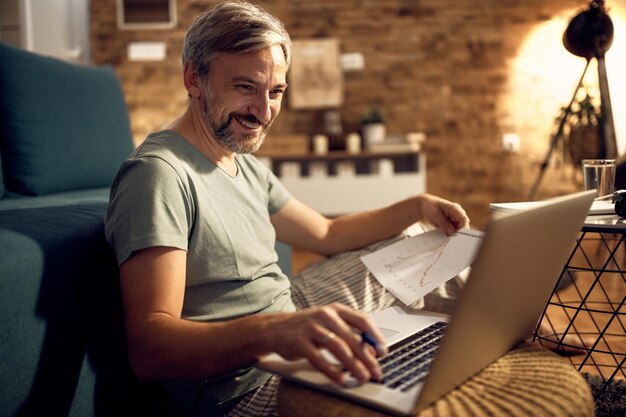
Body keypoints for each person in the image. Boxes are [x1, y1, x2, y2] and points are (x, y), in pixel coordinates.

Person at [103, 1, 472, 416]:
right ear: (194, 78)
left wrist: (416, 207)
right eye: (245, 87)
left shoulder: (235, 158)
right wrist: (274, 331)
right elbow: (150, 351)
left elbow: (326, 235)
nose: (264, 112)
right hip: (245, 386)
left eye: (275, 92)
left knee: (424, 245)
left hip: (291, 309)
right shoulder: (158, 175)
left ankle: (515, 328)